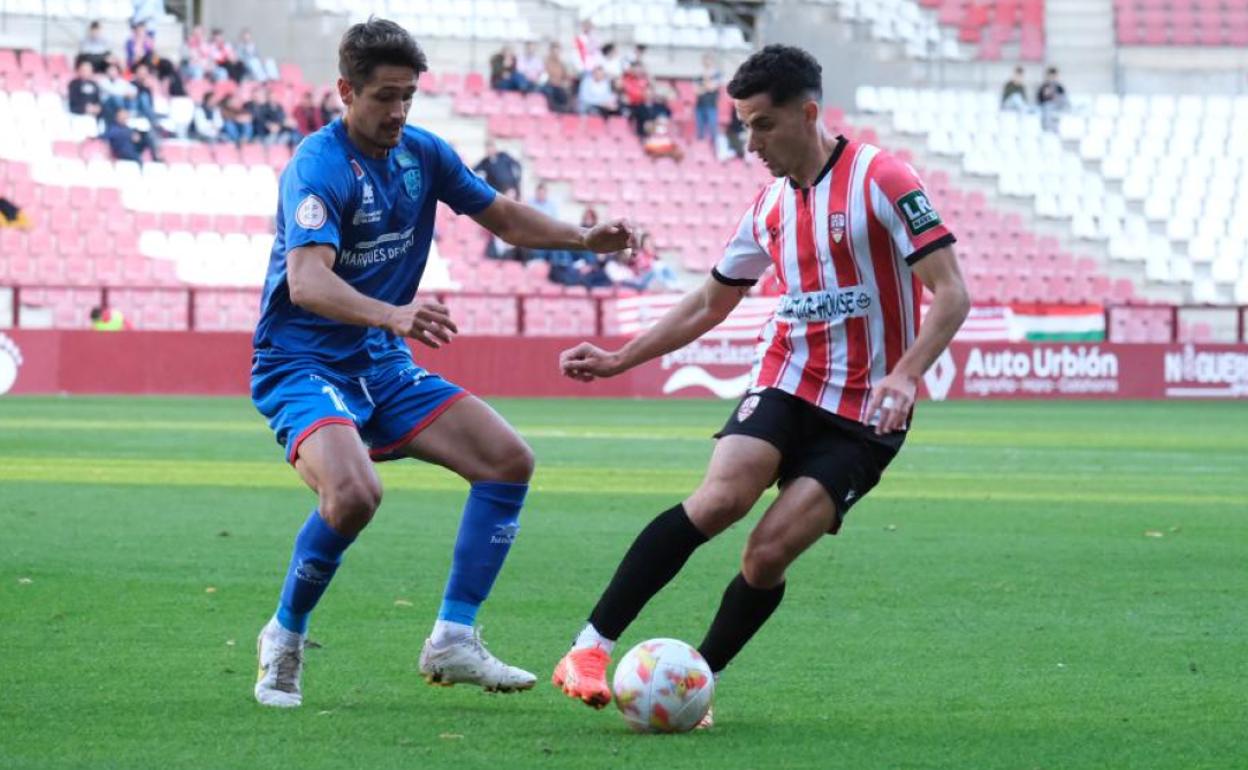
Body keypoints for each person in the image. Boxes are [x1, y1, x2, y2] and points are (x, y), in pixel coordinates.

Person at [550, 45, 970, 725]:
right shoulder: (769, 206)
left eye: (763, 125)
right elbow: (708, 303)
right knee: (720, 499)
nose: (752, 144)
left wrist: (906, 372)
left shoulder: (883, 180)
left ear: (808, 113)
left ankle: (697, 683)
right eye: (744, 126)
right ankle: (588, 649)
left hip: (866, 411)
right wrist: (620, 358)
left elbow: (952, 293)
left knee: (766, 553)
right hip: (788, 377)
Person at [250, 17, 635, 709]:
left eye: (408, 96)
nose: (399, 111)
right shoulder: (318, 165)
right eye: (384, 96)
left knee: (507, 461)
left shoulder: (422, 153)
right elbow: (306, 283)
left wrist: (585, 239)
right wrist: (392, 313)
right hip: (301, 362)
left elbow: (503, 217)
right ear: (346, 91)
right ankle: (284, 636)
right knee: (354, 496)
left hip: (380, 361)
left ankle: (453, 639)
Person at [695, 53, 722, 145]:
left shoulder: (717, 74)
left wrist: (705, 80)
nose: (707, 62)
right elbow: (697, 91)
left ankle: (714, 148)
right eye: (705, 60)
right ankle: (700, 148)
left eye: (708, 60)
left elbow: (712, 88)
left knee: (712, 127)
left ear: (712, 61)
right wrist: (706, 86)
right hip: (699, 105)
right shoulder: (698, 74)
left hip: (711, 105)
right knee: (700, 128)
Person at [542, 41, 574, 113]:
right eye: (555, 51)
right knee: (552, 91)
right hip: (549, 86)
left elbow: (566, 76)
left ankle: (566, 111)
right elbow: (545, 77)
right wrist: (559, 83)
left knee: (568, 91)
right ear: (551, 51)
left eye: (558, 51)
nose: (556, 53)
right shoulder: (546, 62)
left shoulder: (561, 63)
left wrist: (566, 82)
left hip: (559, 86)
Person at [1037, 66, 1067, 131]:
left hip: (1059, 106)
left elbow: (1064, 99)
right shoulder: (1044, 87)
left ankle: (1058, 129)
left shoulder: (1060, 87)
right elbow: (1039, 100)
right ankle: (1048, 129)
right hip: (1047, 106)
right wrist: (1046, 96)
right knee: (1048, 108)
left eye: (1054, 77)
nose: (1053, 79)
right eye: (1051, 77)